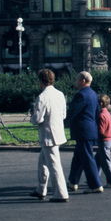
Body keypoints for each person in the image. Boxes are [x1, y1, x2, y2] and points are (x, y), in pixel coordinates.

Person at [29, 69, 69, 202]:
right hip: (58, 133)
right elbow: (64, 115)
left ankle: (61, 194)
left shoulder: (42, 97)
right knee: (43, 161)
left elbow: (38, 119)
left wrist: (31, 117)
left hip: (48, 135)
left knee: (54, 166)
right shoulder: (60, 94)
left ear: (40, 81)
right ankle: (41, 189)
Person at [66, 71, 104, 193]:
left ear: (83, 81)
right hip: (89, 129)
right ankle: (73, 181)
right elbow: (97, 113)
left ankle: (95, 185)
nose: (75, 81)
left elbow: (72, 111)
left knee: (87, 158)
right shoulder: (93, 94)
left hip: (82, 130)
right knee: (78, 157)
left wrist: (61, 120)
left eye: (77, 79)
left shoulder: (81, 95)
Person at [95, 94, 111, 188]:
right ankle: (94, 177)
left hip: (103, 140)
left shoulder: (101, 116)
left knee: (106, 161)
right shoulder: (107, 114)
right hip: (109, 139)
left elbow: (101, 131)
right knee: (98, 160)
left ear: (100, 103)